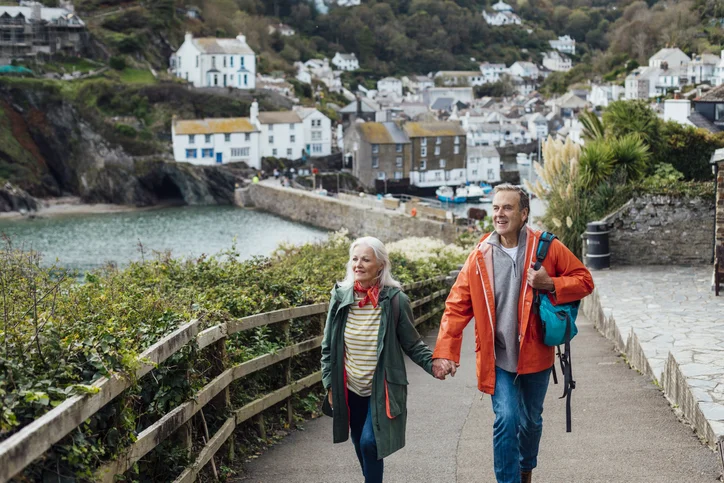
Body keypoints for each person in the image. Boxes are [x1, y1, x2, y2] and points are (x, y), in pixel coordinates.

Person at [431, 184, 594, 483]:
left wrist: (551, 284)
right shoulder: (480, 255)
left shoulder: (547, 247)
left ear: (524, 213)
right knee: (506, 419)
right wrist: (444, 352)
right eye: (495, 208)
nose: (499, 214)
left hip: (536, 355)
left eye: (507, 208)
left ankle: (525, 468)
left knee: (530, 422)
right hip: (498, 357)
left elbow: (585, 281)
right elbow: (456, 306)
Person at [321, 237, 442, 483]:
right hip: (350, 388)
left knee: (369, 443)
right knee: (359, 442)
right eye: (355, 259)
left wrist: (434, 364)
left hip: (382, 389)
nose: (359, 264)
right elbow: (327, 347)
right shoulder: (340, 298)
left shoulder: (396, 301)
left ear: (380, 265)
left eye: (366, 259)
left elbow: (412, 343)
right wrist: (329, 384)